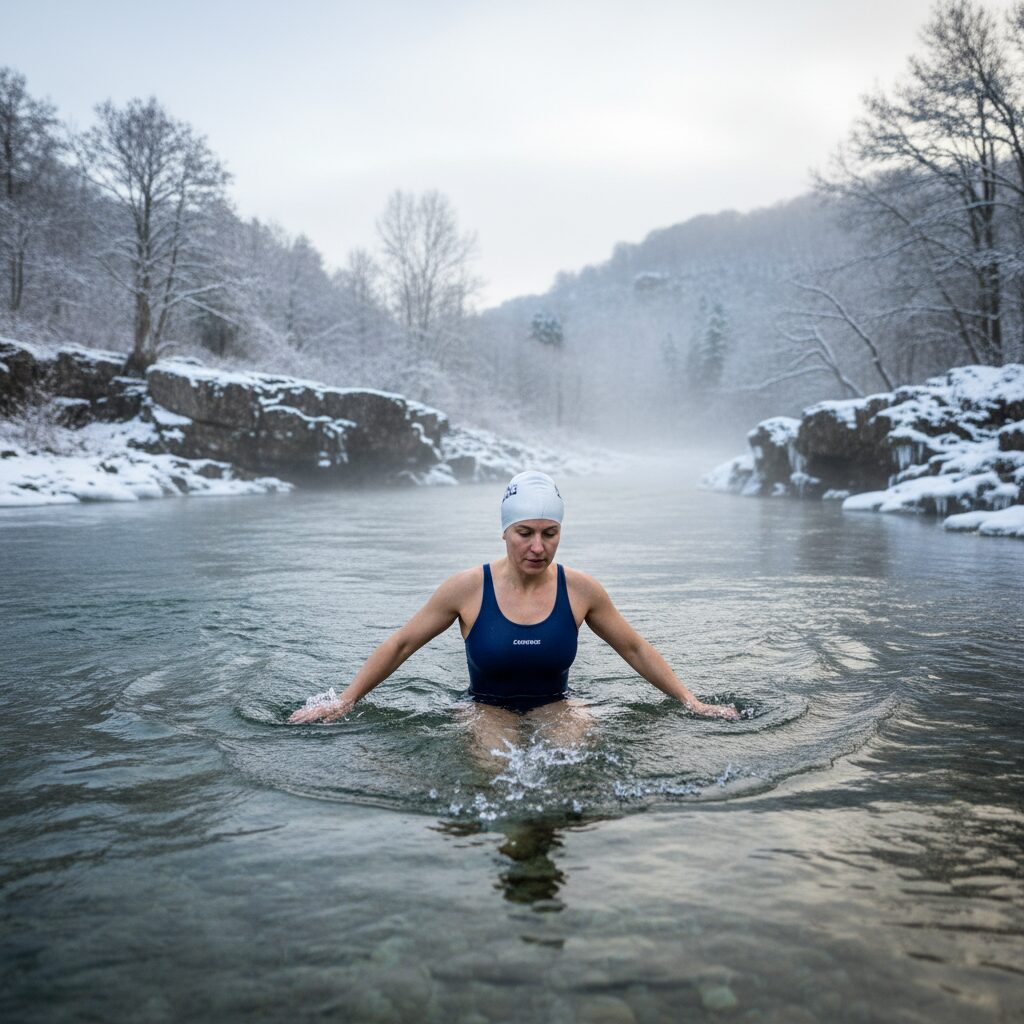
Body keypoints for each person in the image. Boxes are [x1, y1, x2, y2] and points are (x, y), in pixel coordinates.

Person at [288, 470, 740, 742]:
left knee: (570, 769)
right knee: (496, 772)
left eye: (550, 533)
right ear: (504, 531)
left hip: (558, 704)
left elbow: (636, 649)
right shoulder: (466, 588)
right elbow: (402, 644)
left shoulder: (582, 590)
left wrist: (692, 702)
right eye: (525, 532)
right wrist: (345, 701)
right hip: (486, 708)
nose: (538, 547)